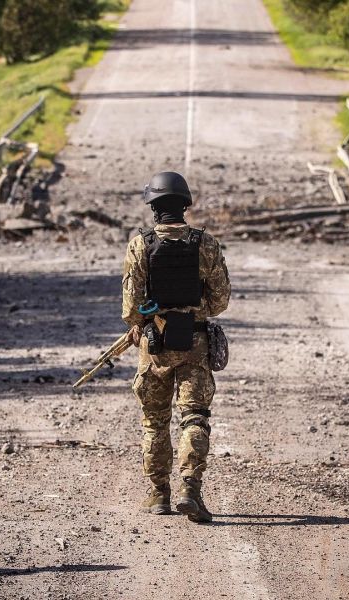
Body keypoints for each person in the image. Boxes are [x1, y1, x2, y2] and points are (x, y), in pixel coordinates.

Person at [121, 171, 231, 523]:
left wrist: (145, 320)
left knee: (155, 421)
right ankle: (190, 489)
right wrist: (195, 310)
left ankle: (158, 495)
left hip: (154, 347)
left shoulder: (140, 245)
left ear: (153, 207)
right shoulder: (206, 243)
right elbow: (220, 300)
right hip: (196, 344)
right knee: (194, 418)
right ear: (185, 205)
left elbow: (131, 309)